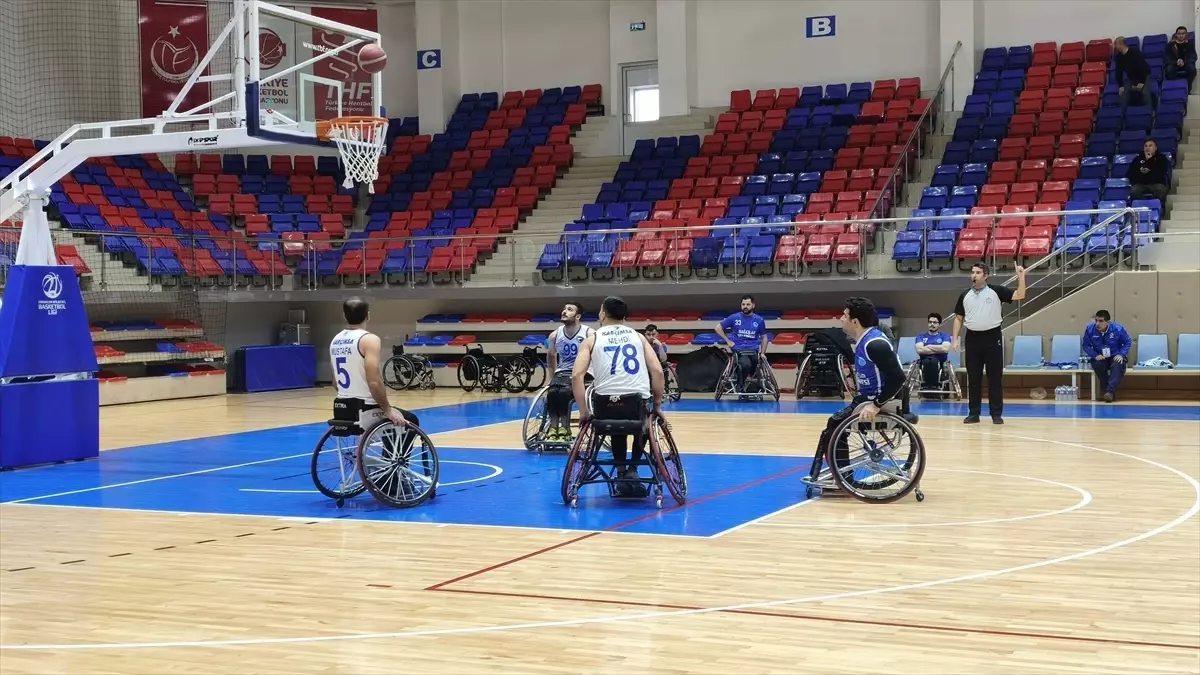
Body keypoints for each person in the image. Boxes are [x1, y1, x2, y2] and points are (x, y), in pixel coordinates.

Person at [572, 296, 665, 498]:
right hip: (636, 402)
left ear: (603, 314)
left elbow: (577, 375)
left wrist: (583, 412)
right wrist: (657, 405)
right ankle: (632, 469)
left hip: (605, 404)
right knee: (644, 423)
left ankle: (621, 473)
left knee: (615, 428)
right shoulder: (638, 337)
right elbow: (657, 371)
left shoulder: (592, 339)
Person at [808, 297, 907, 487]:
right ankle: (841, 473)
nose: (841, 319)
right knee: (833, 424)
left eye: (844, 316)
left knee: (834, 425)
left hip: (880, 400)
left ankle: (843, 478)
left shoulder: (874, 343)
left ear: (855, 321)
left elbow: (898, 378)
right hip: (867, 398)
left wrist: (876, 405)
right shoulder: (865, 340)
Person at [329, 296, 419, 431]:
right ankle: (389, 453)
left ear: (344, 316)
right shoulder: (369, 339)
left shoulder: (335, 341)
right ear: (368, 315)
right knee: (411, 420)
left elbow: (335, 383)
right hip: (366, 408)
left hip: (342, 407)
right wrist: (387, 410)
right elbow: (374, 382)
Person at [952, 263, 1026, 424]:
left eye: (978, 272)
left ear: (985, 275)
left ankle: (996, 414)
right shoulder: (965, 295)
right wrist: (954, 339)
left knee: (994, 377)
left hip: (992, 337)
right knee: (973, 378)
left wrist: (1021, 276)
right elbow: (958, 318)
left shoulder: (996, 291)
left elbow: (1020, 295)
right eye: (972, 272)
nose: (974, 275)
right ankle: (974, 413)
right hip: (972, 339)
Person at [544, 302, 591, 442]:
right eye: (564, 309)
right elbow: (551, 355)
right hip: (563, 372)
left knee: (564, 392)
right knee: (552, 392)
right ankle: (553, 428)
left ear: (578, 316)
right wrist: (551, 376)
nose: (564, 311)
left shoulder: (589, 333)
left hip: (582, 373)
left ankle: (565, 428)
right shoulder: (555, 335)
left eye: (569, 310)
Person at [714, 294, 768, 392]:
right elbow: (718, 328)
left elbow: (764, 337)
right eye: (743, 304)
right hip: (739, 348)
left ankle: (751, 381)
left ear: (753, 305)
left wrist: (763, 353)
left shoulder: (759, 320)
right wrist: (728, 341)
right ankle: (740, 384)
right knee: (745, 364)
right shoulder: (734, 317)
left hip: (753, 349)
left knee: (755, 363)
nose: (745, 307)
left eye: (748, 304)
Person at [1082, 310, 1132, 403]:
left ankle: (1109, 392)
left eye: (1101, 321)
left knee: (1118, 364)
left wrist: (1121, 354)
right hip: (1100, 356)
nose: (1097, 324)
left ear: (1107, 322)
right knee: (1097, 365)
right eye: (1096, 320)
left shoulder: (1118, 329)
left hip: (1115, 355)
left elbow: (1128, 342)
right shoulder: (1090, 329)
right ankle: (1109, 393)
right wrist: (1095, 355)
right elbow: (1085, 345)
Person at [915, 312, 952, 392]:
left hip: (940, 361)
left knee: (934, 362)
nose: (932, 324)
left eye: (935, 322)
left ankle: (935, 386)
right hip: (924, 361)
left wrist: (928, 346)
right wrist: (938, 348)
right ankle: (927, 386)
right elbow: (920, 350)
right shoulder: (921, 336)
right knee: (928, 362)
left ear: (939, 324)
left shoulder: (944, 336)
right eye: (930, 322)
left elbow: (945, 349)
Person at [1126, 138, 1170, 205]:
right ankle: (1144, 204)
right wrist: (1140, 172)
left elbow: (1163, 171)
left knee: (1161, 190)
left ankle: (1154, 204)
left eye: (1150, 146)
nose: (1147, 148)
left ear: (1155, 148)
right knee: (1134, 191)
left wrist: (1150, 160)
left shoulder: (1161, 158)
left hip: (1156, 183)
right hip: (1141, 184)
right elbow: (1130, 173)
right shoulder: (1138, 158)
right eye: (1146, 146)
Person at [1114, 37, 1154, 109]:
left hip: (1144, 76)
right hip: (1132, 78)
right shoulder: (1118, 57)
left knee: (1145, 93)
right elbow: (1118, 72)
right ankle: (1123, 114)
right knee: (1124, 93)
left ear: (1121, 44)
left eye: (1116, 44)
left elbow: (1144, 68)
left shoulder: (1135, 53)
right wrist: (1121, 86)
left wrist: (1142, 82)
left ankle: (1149, 112)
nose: (1115, 47)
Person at [1165, 26, 1197, 92]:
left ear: (1186, 34)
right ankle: (1176, 88)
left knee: (1192, 70)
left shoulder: (1189, 44)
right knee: (1169, 70)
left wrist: (1184, 62)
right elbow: (1166, 57)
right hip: (1174, 64)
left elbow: (1193, 56)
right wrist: (1176, 62)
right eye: (1179, 34)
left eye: (1183, 33)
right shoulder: (1171, 44)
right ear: (1176, 34)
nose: (1181, 35)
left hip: (1186, 63)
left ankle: (1187, 88)